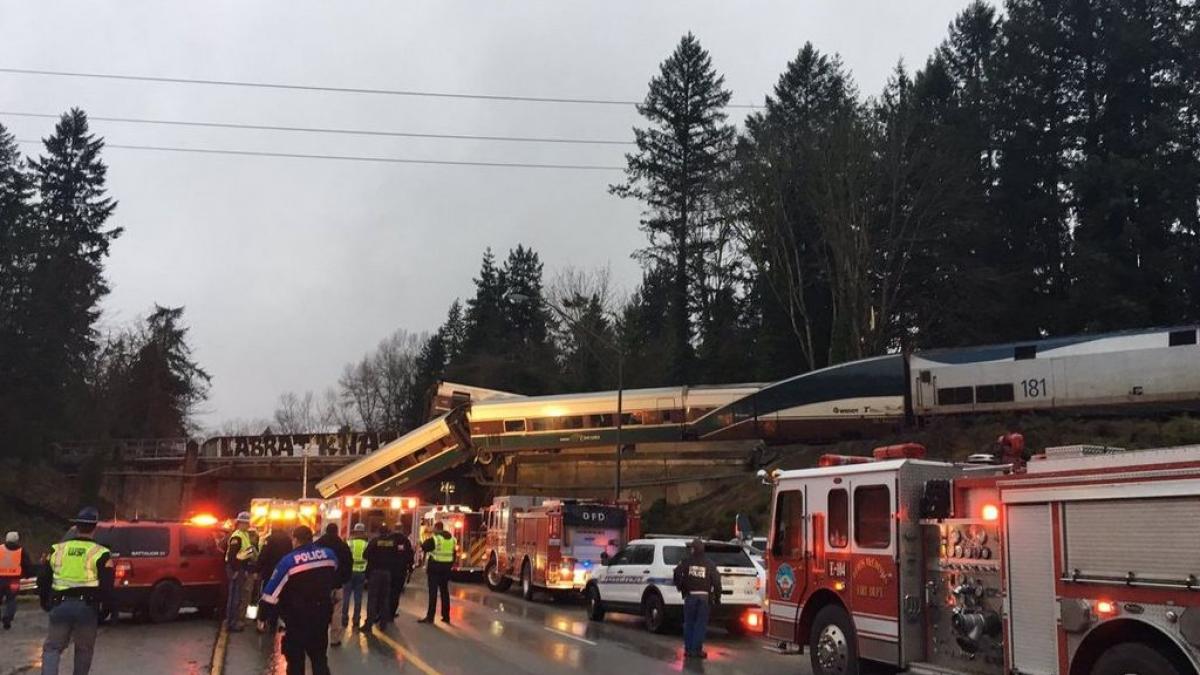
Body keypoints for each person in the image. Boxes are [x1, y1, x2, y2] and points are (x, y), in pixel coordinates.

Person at [38, 507, 114, 675]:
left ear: (76, 526)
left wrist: (45, 601)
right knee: (84, 650)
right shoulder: (101, 553)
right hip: (87, 608)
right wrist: (107, 608)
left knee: (52, 648)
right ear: (95, 527)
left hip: (60, 604)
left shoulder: (56, 549)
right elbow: (107, 585)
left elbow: (42, 578)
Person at [260, 526, 336, 675]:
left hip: (297, 618)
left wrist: (263, 616)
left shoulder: (289, 561)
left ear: (295, 539)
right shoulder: (329, 555)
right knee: (319, 658)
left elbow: (271, 593)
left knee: (295, 660)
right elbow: (335, 575)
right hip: (322, 615)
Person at [672, 538, 722, 659]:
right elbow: (716, 581)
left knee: (689, 623)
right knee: (700, 624)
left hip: (690, 596)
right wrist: (717, 597)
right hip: (704, 597)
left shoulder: (686, 562)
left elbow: (677, 573)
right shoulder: (709, 563)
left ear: (693, 549)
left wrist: (680, 586)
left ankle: (689, 650)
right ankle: (697, 650)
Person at [315, 523, 351, 646]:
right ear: (337, 531)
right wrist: (343, 580)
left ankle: (317, 636)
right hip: (336, 584)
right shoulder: (342, 546)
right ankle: (335, 639)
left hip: (319, 585)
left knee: (318, 610)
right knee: (337, 611)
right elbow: (348, 564)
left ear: (325, 531)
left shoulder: (317, 545)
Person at [254, 526, 294, 633]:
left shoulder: (270, 539)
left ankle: (262, 620)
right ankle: (274, 621)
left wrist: (257, 569)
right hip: (284, 574)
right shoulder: (288, 540)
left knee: (267, 596)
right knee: (281, 597)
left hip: (270, 573)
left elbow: (264, 555)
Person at [224, 511, 258, 632]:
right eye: (246, 523)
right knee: (234, 597)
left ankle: (233, 622)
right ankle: (231, 623)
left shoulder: (244, 535)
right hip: (236, 569)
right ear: (241, 523)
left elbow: (245, 554)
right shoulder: (237, 536)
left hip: (241, 568)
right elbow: (233, 556)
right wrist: (236, 570)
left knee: (237, 597)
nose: (248, 525)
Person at [361, 524, 398, 630]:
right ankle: (383, 624)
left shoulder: (374, 541)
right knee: (384, 598)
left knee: (372, 598)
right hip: (387, 573)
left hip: (375, 572)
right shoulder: (392, 543)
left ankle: (369, 624)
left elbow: (365, 555)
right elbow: (396, 556)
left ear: (378, 532)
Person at [417, 521, 455, 625]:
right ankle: (446, 616)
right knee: (444, 592)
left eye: (434, 528)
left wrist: (422, 542)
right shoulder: (452, 539)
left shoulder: (436, 539)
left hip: (435, 569)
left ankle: (430, 617)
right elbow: (453, 555)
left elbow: (424, 546)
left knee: (433, 593)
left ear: (437, 529)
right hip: (446, 569)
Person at [1, 531, 33, 629]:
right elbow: (27, 565)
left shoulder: (0, 549)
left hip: (0, 579)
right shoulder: (21, 551)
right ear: (17, 540)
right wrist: (28, 575)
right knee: (11, 600)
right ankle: (7, 617)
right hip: (14, 580)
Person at [342, 523, 368, 628]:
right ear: (363, 532)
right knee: (358, 597)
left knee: (346, 597)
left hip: (349, 573)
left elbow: (345, 558)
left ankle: (344, 619)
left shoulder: (349, 543)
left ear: (355, 531)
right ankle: (356, 619)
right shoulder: (366, 544)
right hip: (361, 572)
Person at [388, 531, 415, 620]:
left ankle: (383, 612)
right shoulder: (406, 541)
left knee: (387, 592)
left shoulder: (389, 540)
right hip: (400, 571)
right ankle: (391, 613)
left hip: (389, 570)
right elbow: (410, 556)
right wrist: (410, 568)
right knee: (396, 593)